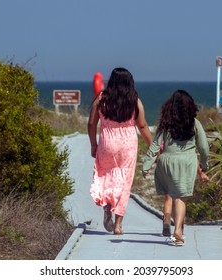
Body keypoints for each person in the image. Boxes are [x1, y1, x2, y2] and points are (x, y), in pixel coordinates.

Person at [88, 67, 152, 235]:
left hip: (107, 143)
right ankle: (118, 225)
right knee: (124, 183)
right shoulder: (134, 100)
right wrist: (152, 146)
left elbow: (91, 123)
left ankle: (107, 203)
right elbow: (143, 125)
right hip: (127, 145)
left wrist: (93, 144)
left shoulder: (101, 98)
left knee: (106, 175)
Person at [142, 89, 209, 246]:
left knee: (173, 194)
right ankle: (178, 230)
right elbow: (204, 147)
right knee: (180, 197)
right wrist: (204, 165)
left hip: (167, 162)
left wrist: (146, 166)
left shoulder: (166, 124)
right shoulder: (195, 123)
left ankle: (175, 226)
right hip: (187, 163)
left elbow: (155, 146)